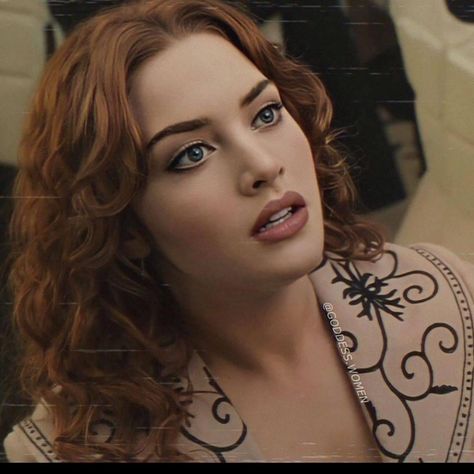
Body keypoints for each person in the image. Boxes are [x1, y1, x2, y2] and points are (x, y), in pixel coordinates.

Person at [2, 0, 473, 463]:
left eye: (266, 114)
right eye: (191, 154)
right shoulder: (72, 449)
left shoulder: (451, 300)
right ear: (123, 225)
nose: (264, 166)